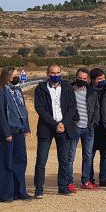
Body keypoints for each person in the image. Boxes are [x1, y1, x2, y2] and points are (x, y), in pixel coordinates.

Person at [34, 64, 78, 197]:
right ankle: (39, 189)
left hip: (64, 127)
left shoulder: (67, 87)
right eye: (53, 73)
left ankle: (63, 186)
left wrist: (63, 123)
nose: (55, 75)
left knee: (64, 159)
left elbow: (72, 107)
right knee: (41, 160)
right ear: (47, 74)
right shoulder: (40, 88)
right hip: (47, 128)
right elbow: (40, 108)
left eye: (58, 72)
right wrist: (55, 124)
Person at [0, 66, 31, 203]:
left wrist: (26, 127)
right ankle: (6, 194)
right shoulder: (0, 92)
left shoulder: (18, 90)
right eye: (15, 75)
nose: (17, 77)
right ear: (7, 77)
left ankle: (20, 191)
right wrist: (6, 132)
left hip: (19, 130)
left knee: (20, 161)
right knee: (6, 163)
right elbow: (0, 114)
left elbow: (23, 110)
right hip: (7, 132)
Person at [69, 68, 100, 190]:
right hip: (74, 127)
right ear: (76, 77)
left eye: (84, 78)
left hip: (88, 128)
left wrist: (94, 123)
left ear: (87, 79)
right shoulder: (68, 90)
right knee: (70, 155)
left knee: (88, 156)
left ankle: (86, 181)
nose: (81, 80)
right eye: (79, 78)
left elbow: (97, 108)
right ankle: (69, 182)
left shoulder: (92, 92)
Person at [89, 68, 106, 187]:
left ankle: (103, 178)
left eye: (103, 78)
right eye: (99, 79)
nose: (102, 81)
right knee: (89, 154)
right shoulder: (87, 90)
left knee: (105, 154)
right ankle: (89, 178)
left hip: (104, 127)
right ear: (93, 80)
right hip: (92, 127)